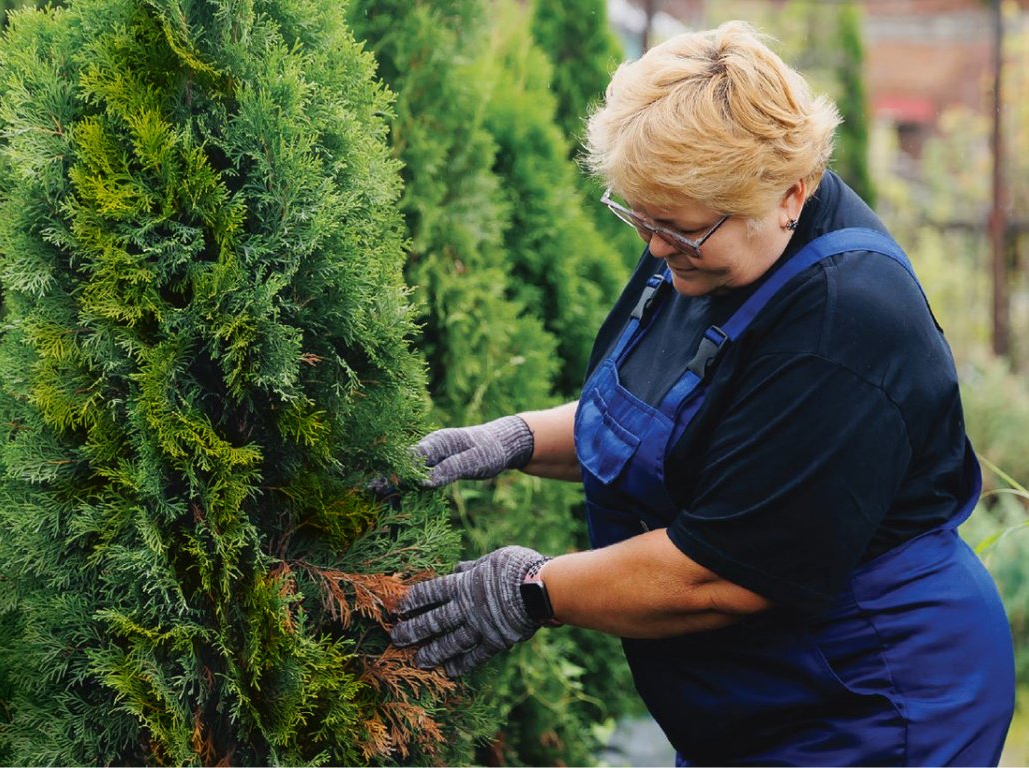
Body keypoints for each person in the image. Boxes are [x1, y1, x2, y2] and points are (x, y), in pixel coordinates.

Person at [389, 21, 1015, 766]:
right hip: (755, 698)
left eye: (678, 230)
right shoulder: (704, 242)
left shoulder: (843, 323)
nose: (655, 248)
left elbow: (719, 572)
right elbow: (664, 428)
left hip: (870, 696)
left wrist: (531, 591)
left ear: (791, 193)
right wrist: (513, 438)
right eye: (641, 218)